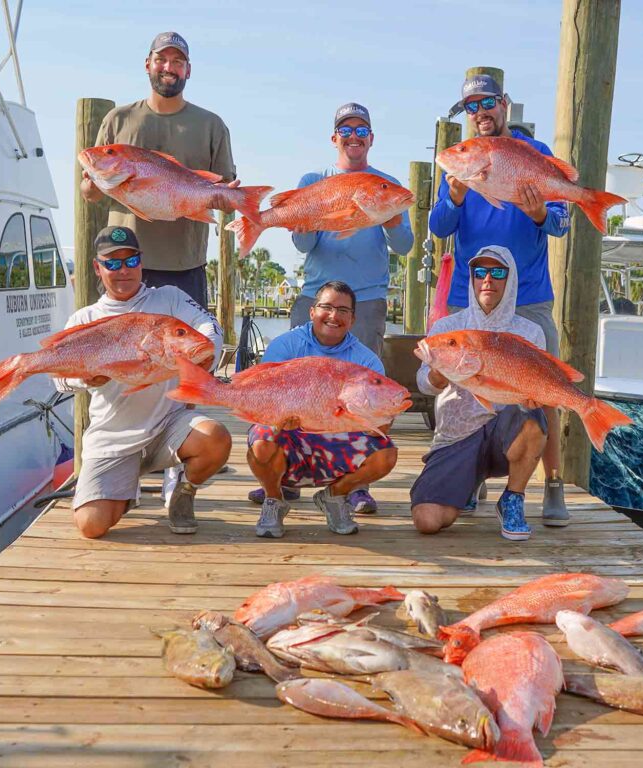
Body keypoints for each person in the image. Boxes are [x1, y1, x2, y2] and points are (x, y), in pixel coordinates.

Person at [428, 73, 571, 526]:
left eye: (487, 102)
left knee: (542, 391)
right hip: (468, 296)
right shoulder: (461, 161)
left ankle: (552, 485)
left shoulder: (536, 155)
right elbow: (437, 227)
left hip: (528, 298)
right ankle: (473, 477)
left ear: (504, 104)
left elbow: (560, 224)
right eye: (470, 106)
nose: (480, 112)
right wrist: (452, 198)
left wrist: (538, 212)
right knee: (468, 385)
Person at [54, 226, 231, 539]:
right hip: (113, 437)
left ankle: (182, 493)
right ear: (97, 267)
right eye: (112, 263)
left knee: (215, 438)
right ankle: (124, 489)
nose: (123, 270)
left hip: (168, 425)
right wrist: (84, 380)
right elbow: (60, 380)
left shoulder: (169, 299)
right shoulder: (83, 319)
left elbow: (209, 326)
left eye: (131, 261)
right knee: (91, 526)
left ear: (141, 262)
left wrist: (205, 358)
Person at [80, 31, 236, 309]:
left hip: (185, 263)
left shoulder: (211, 124)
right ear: (147, 64)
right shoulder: (117, 119)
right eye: (161, 59)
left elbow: (223, 189)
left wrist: (228, 199)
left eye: (177, 61)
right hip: (122, 263)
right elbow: (89, 194)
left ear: (188, 71)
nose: (168, 67)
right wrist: (90, 187)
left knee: (186, 347)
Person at [411, 246, 548, 541]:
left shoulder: (531, 332)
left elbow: (537, 385)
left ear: (510, 281)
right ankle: (469, 484)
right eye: (480, 272)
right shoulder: (448, 327)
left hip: (504, 435)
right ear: (471, 279)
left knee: (533, 417)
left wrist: (536, 395)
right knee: (428, 520)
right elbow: (424, 385)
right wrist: (439, 368)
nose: (488, 279)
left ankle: (513, 497)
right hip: (457, 436)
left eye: (498, 272)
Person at [246, 281, 399, 538]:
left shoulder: (367, 361)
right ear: (312, 311)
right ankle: (274, 500)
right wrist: (280, 419)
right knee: (262, 438)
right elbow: (261, 396)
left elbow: (380, 426)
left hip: (336, 442)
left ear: (352, 319)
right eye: (326, 307)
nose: (334, 316)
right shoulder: (285, 346)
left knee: (386, 453)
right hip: (291, 439)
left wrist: (381, 423)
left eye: (343, 310)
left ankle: (334, 497)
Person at [290, 103, 414, 356]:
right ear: (334, 138)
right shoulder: (312, 181)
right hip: (316, 297)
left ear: (371, 139)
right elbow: (303, 246)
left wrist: (392, 224)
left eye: (361, 130)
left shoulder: (389, 186)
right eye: (345, 130)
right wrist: (303, 227)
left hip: (366, 303)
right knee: (303, 377)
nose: (353, 136)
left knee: (361, 383)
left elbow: (404, 246)